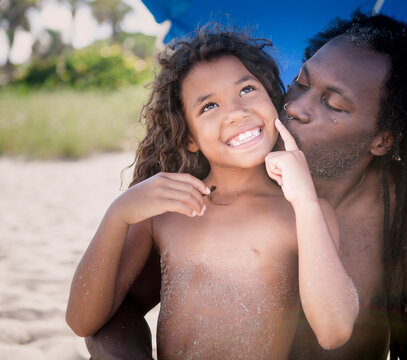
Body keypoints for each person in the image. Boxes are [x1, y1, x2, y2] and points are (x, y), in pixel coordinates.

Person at [85, 9, 407, 360]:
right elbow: (109, 312)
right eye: (301, 81)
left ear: (382, 140)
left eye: (332, 104)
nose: (296, 106)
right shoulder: (226, 186)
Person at [66, 26, 359, 359]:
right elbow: (81, 320)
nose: (235, 112)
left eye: (247, 89)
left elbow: (334, 331)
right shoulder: (166, 211)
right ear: (188, 137)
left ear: (272, 99)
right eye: (208, 107)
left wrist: (305, 200)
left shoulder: (304, 213)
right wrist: (118, 214)